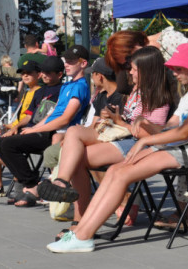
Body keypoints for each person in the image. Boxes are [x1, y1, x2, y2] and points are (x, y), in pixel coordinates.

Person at [46, 43, 188, 253]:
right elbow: (171, 125)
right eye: (174, 68)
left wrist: (146, 139)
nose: (174, 72)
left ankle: (83, 235)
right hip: (175, 146)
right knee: (115, 170)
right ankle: (81, 229)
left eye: (179, 68)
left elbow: (183, 132)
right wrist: (145, 124)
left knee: (121, 175)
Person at [37, 48, 172, 227]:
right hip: (119, 134)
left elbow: (151, 135)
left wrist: (120, 122)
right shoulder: (135, 90)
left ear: (147, 70)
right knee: (73, 132)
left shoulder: (158, 97)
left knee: (78, 158)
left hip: (136, 143)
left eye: (134, 69)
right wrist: (113, 117)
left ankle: (79, 222)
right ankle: (62, 182)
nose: (130, 72)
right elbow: (128, 119)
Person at [0, 47, 90, 207]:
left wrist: (35, 129)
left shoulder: (80, 86)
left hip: (58, 133)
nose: (67, 64)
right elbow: (53, 114)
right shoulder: (67, 86)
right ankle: (31, 184)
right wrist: (31, 128)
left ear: (83, 64)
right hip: (48, 128)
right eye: (66, 61)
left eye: (72, 61)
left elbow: (65, 119)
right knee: (0, 144)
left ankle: (31, 184)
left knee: (7, 144)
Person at [0, 60, 42, 198]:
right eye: (23, 73)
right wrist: (7, 126)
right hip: (16, 128)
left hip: (25, 131)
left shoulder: (39, 93)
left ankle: (5, 181)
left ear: (39, 74)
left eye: (29, 73)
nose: (25, 75)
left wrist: (14, 128)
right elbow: (20, 117)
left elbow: (31, 119)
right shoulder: (27, 92)